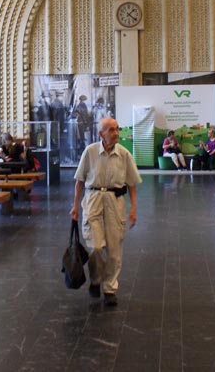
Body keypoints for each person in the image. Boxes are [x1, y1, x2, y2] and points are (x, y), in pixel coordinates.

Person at [70, 117, 142, 307]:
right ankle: (95, 279)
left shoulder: (124, 154)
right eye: (111, 130)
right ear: (101, 134)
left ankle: (110, 288)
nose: (116, 133)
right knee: (95, 246)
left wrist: (133, 208)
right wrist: (75, 206)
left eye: (117, 129)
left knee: (114, 249)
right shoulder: (90, 152)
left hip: (115, 202)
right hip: (93, 200)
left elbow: (132, 183)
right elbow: (79, 181)